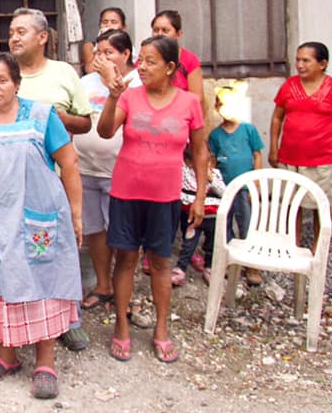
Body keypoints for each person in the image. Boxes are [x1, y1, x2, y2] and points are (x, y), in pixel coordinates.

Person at [0, 52, 83, 399]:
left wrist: (76, 213)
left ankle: (45, 364)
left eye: (2, 80)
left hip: (37, 221)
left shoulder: (42, 117)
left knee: (43, 284)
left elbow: (69, 162)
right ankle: (7, 357)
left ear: (17, 84)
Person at [0, 7, 92, 352]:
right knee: (11, 261)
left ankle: (67, 323)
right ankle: (9, 332)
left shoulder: (63, 73)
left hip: (50, 185)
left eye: (21, 31)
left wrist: (49, 117)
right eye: (11, 32)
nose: (14, 37)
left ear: (43, 37)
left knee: (54, 258)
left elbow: (85, 123)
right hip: (4, 191)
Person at [97, 35, 207, 364]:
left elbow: (200, 152)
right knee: (126, 260)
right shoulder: (129, 97)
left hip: (165, 197)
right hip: (126, 193)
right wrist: (113, 97)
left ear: (170, 67)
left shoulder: (189, 103)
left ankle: (161, 329)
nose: (141, 67)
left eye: (150, 61)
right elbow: (104, 131)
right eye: (140, 60)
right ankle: (121, 325)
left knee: (160, 263)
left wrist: (200, 196)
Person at [74, 29, 140, 311]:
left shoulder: (137, 82)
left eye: (109, 53)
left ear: (126, 54)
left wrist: (113, 80)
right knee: (95, 230)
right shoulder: (85, 82)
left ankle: (125, 291)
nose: (101, 58)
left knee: (123, 233)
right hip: (86, 167)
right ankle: (103, 286)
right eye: (98, 53)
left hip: (121, 170)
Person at [269, 42, 332, 243]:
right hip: (289, 158)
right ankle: (293, 245)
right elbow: (277, 118)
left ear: (322, 64)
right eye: (298, 60)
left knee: (320, 205)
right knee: (292, 204)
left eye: (306, 61)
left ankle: (319, 247)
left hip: (322, 161)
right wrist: (274, 147)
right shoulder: (289, 86)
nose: (299, 65)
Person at [209, 84, 266, 286]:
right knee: (224, 225)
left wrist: (256, 183)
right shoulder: (215, 135)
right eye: (220, 103)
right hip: (224, 189)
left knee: (247, 224)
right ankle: (229, 262)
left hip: (245, 188)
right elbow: (213, 161)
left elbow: (257, 155)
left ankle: (252, 265)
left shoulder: (248, 130)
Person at [172, 147, 225, 286]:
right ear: (189, 162)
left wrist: (211, 178)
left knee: (211, 244)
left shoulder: (215, 174)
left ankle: (209, 267)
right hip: (193, 217)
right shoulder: (186, 173)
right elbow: (182, 193)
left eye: (208, 160)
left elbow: (224, 191)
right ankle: (181, 269)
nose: (206, 164)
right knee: (189, 243)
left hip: (212, 217)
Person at [150, 10, 204, 104]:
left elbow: (197, 98)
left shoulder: (189, 60)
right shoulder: (145, 59)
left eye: (165, 30)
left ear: (179, 34)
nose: (159, 34)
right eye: (156, 30)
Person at [80, 7, 126, 74]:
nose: (108, 25)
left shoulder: (127, 47)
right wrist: (99, 43)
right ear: (99, 25)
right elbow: (90, 70)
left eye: (114, 22)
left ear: (123, 27)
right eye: (105, 22)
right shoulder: (90, 47)